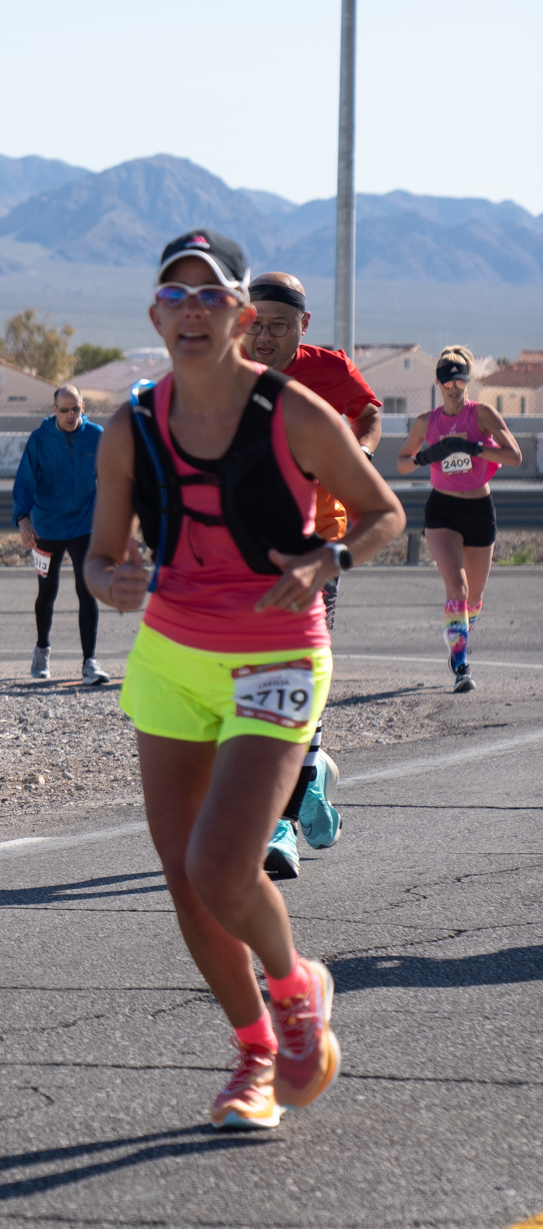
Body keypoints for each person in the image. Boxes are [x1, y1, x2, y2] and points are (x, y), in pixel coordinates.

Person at [87, 228, 403, 1130]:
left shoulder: (293, 412)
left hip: (277, 653)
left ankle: (296, 988)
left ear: (239, 314)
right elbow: (100, 557)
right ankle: (256, 1053)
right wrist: (109, 581)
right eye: (174, 295)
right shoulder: (132, 426)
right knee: (183, 880)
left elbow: (383, 513)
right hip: (170, 660)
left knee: (222, 865)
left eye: (209, 295)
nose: (191, 310)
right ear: (155, 315)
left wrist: (327, 559)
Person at [242, 274, 382, 879]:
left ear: (304, 325)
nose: (264, 336)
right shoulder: (225, 371)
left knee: (294, 675)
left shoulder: (330, 369)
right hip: (244, 551)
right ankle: (312, 772)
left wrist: (359, 456)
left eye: (278, 325)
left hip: (318, 545)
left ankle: (279, 823)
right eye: (255, 323)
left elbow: (368, 413)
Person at [396, 346, 522, 693]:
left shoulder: (482, 414)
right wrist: (428, 455)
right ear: (439, 383)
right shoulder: (427, 422)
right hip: (443, 512)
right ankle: (461, 664)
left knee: (473, 598)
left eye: (461, 381)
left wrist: (476, 448)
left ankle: (458, 633)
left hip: (479, 511)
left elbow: (514, 456)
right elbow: (402, 463)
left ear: (468, 382)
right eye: (448, 382)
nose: (454, 388)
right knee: (457, 587)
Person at [13, 383, 108, 684]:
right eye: (64, 410)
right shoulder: (39, 440)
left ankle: (90, 663)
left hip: (83, 525)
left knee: (87, 588)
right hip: (47, 527)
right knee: (47, 591)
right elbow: (24, 482)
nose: (70, 415)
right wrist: (23, 519)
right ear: (54, 410)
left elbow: (111, 480)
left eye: (75, 409)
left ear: (83, 408)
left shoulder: (96, 436)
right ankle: (42, 649)